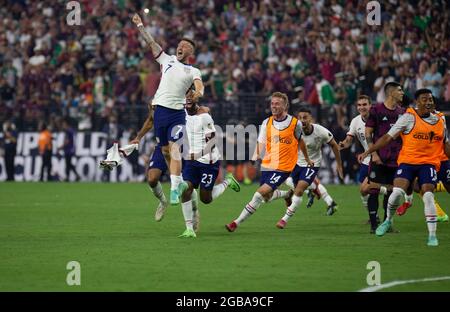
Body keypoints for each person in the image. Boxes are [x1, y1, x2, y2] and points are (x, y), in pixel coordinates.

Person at [359, 88, 449, 246]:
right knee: (398, 191)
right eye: (424, 99)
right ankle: (388, 220)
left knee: (428, 195)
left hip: (428, 163)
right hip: (407, 162)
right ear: (417, 102)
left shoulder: (440, 120)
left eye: (430, 99)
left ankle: (432, 235)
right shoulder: (408, 117)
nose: (428, 102)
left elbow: (446, 144)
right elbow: (387, 137)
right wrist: (369, 151)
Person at [131, 13, 204, 205]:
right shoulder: (167, 60)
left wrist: (198, 93)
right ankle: (172, 190)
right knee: (165, 151)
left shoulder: (193, 70)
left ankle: (174, 190)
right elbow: (151, 42)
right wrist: (140, 26)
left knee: (174, 148)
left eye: (186, 46)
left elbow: (199, 85)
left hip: (177, 114)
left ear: (191, 53)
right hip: (160, 112)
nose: (181, 47)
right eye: (180, 44)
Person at [225, 92, 313, 233]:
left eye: (277, 103)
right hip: (267, 164)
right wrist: (255, 157)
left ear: (285, 105)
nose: (274, 106)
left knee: (259, 194)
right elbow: (261, 142)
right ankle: (287, 194)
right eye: (272, 103)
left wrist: (307, 159)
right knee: (267, 197)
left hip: (284, 167)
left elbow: (300, 141)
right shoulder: (267, 122)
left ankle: (236, 222)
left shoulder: (295, 123)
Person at [177, 92, 241, 238]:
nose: (187, 102)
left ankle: (227, 182)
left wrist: (197, 155)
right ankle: (189, 229)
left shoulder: (205, 117)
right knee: (186, 189)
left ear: (196, 99)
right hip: (191, 161)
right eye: (185, 99)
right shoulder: (182, 112)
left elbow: (212, 142)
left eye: (190, 98)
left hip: (208, 161)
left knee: (205, 199)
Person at [276, 108, 344, 229]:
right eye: (300, 118)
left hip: (312, 164)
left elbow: (334, 145)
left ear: (311, 118)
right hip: (297, 163)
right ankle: (314, 190)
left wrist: (339, 165)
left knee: (299, 190)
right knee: (291, 183)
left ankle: (284, 219)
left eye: (305, 117)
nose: (302, 120)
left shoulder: (320, 131)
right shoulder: (294, 131)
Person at [338, 95, 387, 223]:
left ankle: (393, 189)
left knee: (365, 189)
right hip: (366, 160)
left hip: (380, 158)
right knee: (364, 192)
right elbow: (349, 139)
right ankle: (374, 217)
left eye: (364, 104)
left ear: (371, 105)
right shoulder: (355, 121)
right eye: (359, 105)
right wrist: (343, 144)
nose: (361, 107)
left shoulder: (379, 119)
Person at [364, 82, 405, 233]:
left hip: (396, 160)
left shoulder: (403, 112)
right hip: (379, 158)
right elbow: (368, 133)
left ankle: (387, 223)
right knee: (373, 190)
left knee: (392, 193)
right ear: (391, 92)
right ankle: (374, 225)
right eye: (400, 90)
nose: (402, 92)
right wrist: (373, 154)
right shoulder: (376, 110)